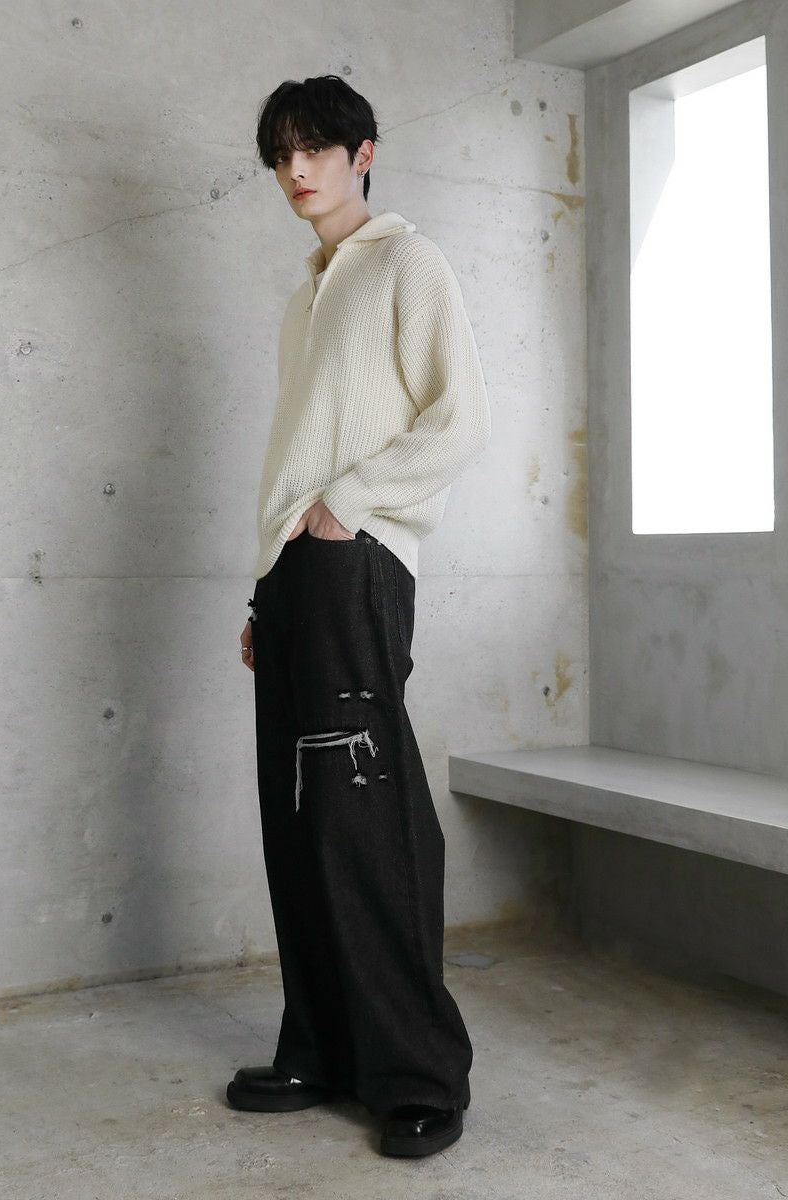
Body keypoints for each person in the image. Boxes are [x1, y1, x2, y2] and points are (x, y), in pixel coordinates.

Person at [226, 74, 491, 1158]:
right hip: (298, 571)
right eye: (282, 154)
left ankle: (419, 1072)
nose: (297, 171)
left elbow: (459, 418)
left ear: (362, 154)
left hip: (357, 561)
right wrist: (268, 579)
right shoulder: (308, 295)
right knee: (297, 816)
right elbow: (299, 446)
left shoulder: (404, 264)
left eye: (317, 150)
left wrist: (350, 506)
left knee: (366, 817)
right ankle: (320, 1046)